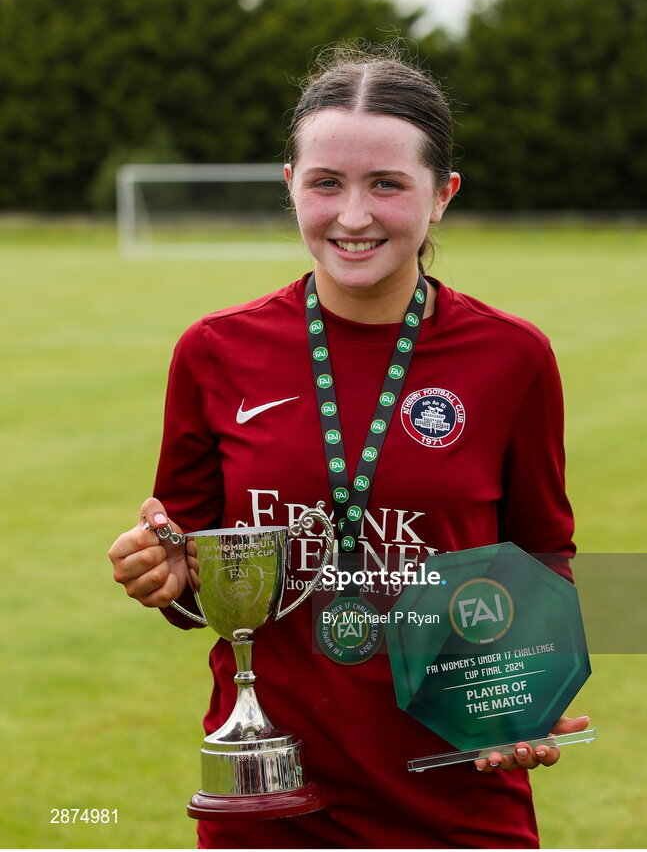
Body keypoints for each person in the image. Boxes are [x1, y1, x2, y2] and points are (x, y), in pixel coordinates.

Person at [108, 48, 588, 849]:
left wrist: (527, 695)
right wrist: (160, 570)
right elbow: (194, 578)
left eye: (387, 185)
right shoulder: (215, 352)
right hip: (270, 792)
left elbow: (542, 550)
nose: (353, 215)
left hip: (458, 789)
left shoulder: (513, 357)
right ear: (289, 183)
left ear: (442, 196)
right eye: (326, 182)